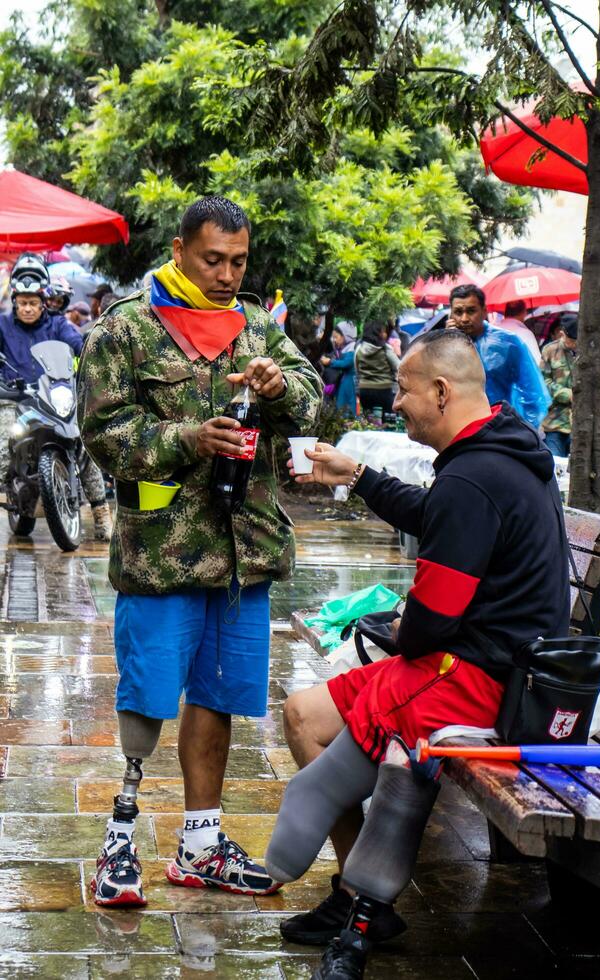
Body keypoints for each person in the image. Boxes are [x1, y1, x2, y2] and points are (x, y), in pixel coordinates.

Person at [264, 328, 569, 978]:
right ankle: (354, 896)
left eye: (403, 390)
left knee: (401, 751)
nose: (394, 402)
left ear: (441, 391)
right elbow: (437, 519)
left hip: (482, 680)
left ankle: (359, 914)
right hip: (486, 663)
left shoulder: (476, 477)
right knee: (306, 714)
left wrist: (397, 621)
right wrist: (361, 476)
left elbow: (430, 624)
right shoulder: (493, 454)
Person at [77, 194, 322, 908]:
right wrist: (188, 437)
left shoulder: (256, 325)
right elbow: (102, 432)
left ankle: (200, 844)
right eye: (212, 258)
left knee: (217, 696)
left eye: (238, 261)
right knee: (148, 695)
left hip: (244, 553)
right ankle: (119, 838)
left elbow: (309, 400)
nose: (225, 273)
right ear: (180, 250)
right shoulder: (125, 328)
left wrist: (280, 386)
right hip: (163, 553)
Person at [0, 267, 112, 541]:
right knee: (3, 445)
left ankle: (101, 512)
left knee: (83, 442)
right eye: (23, 303)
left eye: (33, 303)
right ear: (15, 301)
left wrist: (93, 350)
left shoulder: (58, 324)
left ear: (43, 301)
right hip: (14, 399)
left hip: (53, 396)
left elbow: (78, 344)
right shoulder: (2, 324)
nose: (27, 308)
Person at [447, 284, 550, 429]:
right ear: (451, 315)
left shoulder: (508, 343)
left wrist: (525, 430)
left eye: (471, 311)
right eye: (458, 312)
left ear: (484, 311)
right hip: (457, 428)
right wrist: (448, 341)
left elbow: (533, 393)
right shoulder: (444, 343)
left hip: (499, 428)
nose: (464, 318)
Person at [540, 312, 577, 458]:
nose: (574, 344)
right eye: (571, 340)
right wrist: (567, 394)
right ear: (562, 334)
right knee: (556, 466)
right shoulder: (550, 351)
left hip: (579, 423)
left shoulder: (587, 352)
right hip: (555, 422)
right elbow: (544, 382)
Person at [354, 320, 399, 415]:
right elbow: (398, 366)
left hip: (365, 390)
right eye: (383, 331)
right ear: (376, 333)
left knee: (369, 418)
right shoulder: (386, 348)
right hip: (384, 389)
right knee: (387, 419)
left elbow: (356, 369)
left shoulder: (359, 348)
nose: (385, 334)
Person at [321, 321, 357, 416]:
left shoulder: (351, 349)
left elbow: (346, 363)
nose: (334, 340)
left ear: (345, 336)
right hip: (343, 380)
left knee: (346, 403)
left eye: (336, 337)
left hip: (349, 382)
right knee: (340, 403)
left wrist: (330, 362)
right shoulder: (344, 348)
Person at [498, 299, 541, 364]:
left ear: (505, 313)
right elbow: (537, 362)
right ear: (524, 313)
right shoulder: (525, 334)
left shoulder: (492, 330)